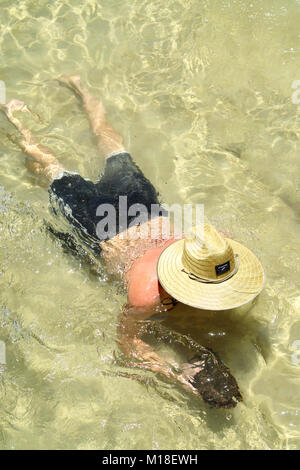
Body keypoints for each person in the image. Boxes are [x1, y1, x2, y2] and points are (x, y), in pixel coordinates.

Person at [1, 76, 265, 408]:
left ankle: (81, 88)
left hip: (143, 204)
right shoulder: (146, 293)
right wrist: (173, 372)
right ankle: (16, 118)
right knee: (49, 167)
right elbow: (126, 342)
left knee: (111, 143)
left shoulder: (216, 246)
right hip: (98, 223)